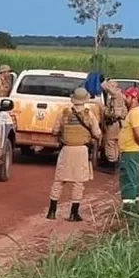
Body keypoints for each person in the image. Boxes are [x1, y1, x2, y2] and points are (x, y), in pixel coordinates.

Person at [47, 87, 102, 222]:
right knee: (78, 182)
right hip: (81, 150)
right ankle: (73, 213)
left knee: (59, 180)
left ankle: (52, 211)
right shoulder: (89, 114)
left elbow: (54, 131)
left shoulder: (64, 113)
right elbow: (97, 133)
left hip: (66, 149)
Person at [118, 86, 139, 206]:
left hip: (131, 151)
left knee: (128, 179)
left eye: (127, 97)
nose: (125, 99)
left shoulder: (134, 113)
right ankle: (133, 204)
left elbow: (137, 132)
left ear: (134, 98)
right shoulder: (135, 112)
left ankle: (128, 208)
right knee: (133, 177)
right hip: (132, 150)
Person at [99, 80, 127, 173]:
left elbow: (113, 113)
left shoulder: (117, 95)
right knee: (115, 143)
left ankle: (111, 164)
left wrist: (103, 83)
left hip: (114, 122)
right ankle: (114, 163)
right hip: (118, 123)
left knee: (110, 142)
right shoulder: (118, 97)